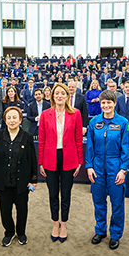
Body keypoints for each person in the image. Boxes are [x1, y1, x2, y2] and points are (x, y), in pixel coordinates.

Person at [86, 90, 129, 250]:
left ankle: (116, 234)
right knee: (98, 202)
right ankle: (100, 230)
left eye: (109, 102)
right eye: (103, 102)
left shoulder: (123, 122)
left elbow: (126, 148)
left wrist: (123, 169)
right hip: (97, 166)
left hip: (115, 166)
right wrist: (89, 166)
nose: (106, 105)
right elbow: (89, 146)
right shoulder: (94, 122)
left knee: (117, 203)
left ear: (114, 103)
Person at [38, 83, 83, 243]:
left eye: (62, 93)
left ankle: (64, 224)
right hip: (50, 158)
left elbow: (78, 138)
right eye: (56, 93)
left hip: (69, 158)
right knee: (52, 194)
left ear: (67, 96)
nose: (59, 96)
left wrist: (79, 161)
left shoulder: (76, 114)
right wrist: (41, 162)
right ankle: (55, 223)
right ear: (52, 96)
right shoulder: (45, 114)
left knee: (66, 193)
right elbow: (41, 139)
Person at [0, 106, 38, 247]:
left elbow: (32, 160)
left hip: (22, 181)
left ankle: (21, 233)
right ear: (5, 120)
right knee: (5, 210)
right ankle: (9, 232)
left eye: (14, 117)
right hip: (3, 181)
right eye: (9, 118)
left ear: (20, 119)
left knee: (22, 209)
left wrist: (33, 179)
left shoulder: (27, 137)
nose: (12, 120)